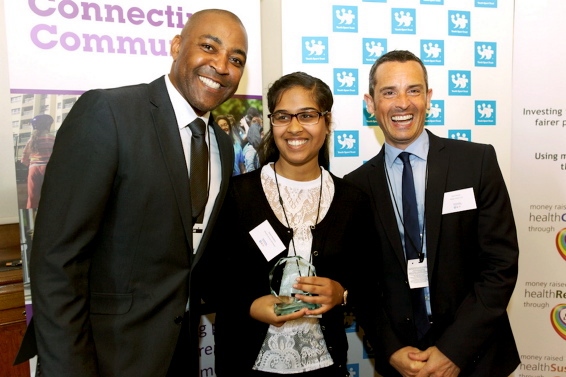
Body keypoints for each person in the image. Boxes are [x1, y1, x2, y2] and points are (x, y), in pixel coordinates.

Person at [15, 9, 248, 377]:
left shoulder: (221, 143)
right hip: (103, 356)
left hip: (179, 355)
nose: (221, 66)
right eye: (208, 47)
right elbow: (58, 259)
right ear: (176, 46)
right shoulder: (109, 112)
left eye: (236, 59)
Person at [344, 50, 520, 377]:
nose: (403, 103)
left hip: (479, 358)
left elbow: (501, 264)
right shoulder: (355, 188)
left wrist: (455, 351)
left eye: (413, 90)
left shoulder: (476, 163)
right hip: (404, 364)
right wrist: (392, 350)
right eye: (389, 92)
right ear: (370, 103)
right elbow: (362, 285)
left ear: (428, 97)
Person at [201, 71, 376, 377]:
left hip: (324, 364)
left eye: (307, 115)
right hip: (247, 363)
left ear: (326, 122)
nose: (295, 127)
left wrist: (342, 294)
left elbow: (370, 278)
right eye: (283, 116)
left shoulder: (352, 199)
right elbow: (208, 277)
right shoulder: (236, 195)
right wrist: (251, 305)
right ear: (272, 122)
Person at [20, 114, 55, 209]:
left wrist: (32, 164)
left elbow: (24, 160)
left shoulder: (31, 140)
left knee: (32, 198)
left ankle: (30, 221)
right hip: (49, 169)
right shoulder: (53, 138)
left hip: (34, 170)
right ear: (48, 126)